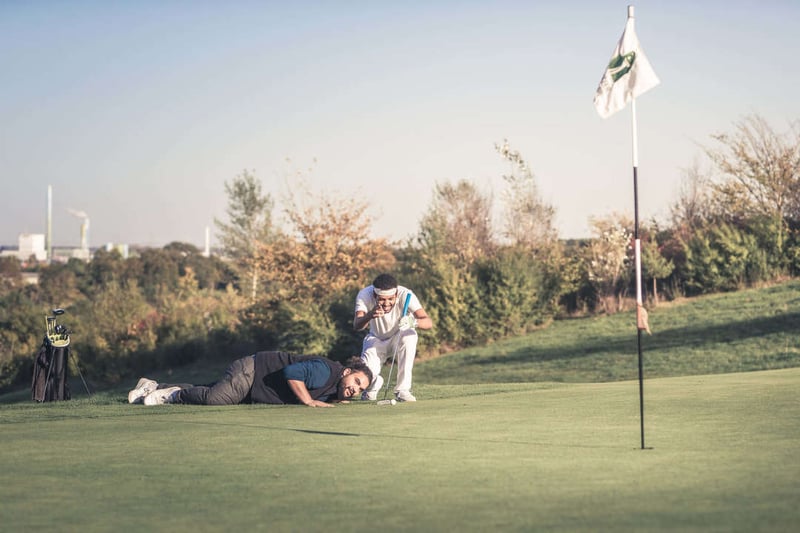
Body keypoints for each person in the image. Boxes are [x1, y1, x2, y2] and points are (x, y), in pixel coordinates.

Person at [127, 352, 373, 407]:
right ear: (347, 372)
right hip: (252, 371)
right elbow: (291, 374)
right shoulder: (325, 371)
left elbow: (330, 394)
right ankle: (172, 395)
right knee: (216, 398)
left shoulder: (334, 385)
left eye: (361, 390)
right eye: (357, 382)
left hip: (256, 382)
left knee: (210, 389)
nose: (356, 389)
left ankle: (153, 386)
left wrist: (339, 399)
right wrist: (308, 401)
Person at [353, 273, 432, 402]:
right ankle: (374, 384)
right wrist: (370, 315)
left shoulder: (406, 294)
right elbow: (357, 325)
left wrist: (413, 322)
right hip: (375, 339)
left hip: (398, 336)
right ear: (374, 295)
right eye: (382, 299)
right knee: (366, 374)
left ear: (396, 295)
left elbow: (428, 322)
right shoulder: (364, 295)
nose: (387, 303)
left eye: (391, 299)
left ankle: (403, 390)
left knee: (410, 335)